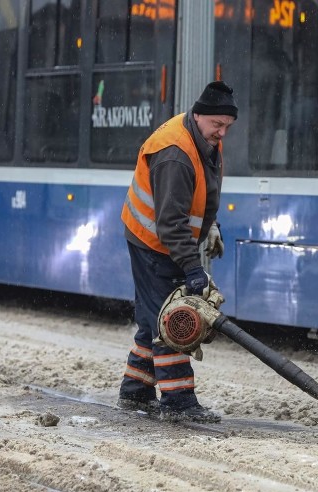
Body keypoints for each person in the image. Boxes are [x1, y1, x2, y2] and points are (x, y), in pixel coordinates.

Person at [118, 81, 238, 423]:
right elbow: (170, 223)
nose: (222, 133)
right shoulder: (176, 153)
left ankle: (135, 390)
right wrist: (193, 268)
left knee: (153, 315)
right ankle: (179, 403)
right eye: (217, 125)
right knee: (173, 320)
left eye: (227, 127)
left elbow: (203, 192)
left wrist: (209, 226)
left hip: (166, 237)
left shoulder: (206, 139)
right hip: (151, 240)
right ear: (198, 116)